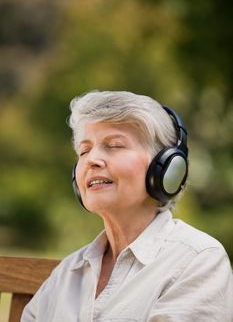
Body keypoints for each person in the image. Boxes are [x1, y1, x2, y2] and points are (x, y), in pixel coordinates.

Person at [21, 90, 233, 322]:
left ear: (166, 168)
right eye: (84, 150)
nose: (92, 160)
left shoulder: (198, 260)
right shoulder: (67, 273)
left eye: (114, 145)